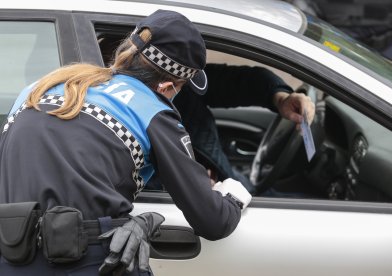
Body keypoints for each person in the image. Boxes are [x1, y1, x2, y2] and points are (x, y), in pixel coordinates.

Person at [0, 10, 251, 275]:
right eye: (180, 87)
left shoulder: (41, 87)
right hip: (87, 261)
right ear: (166, 86)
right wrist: (232, 196)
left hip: (11, 252)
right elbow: (212, 221)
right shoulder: (151, 111)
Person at [170, 63, 315, 195]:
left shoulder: (182, 80)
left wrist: (281, 98)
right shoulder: (151, 114)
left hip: (225, 179)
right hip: (205, 201)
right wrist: (189, 185)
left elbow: (235, 81)